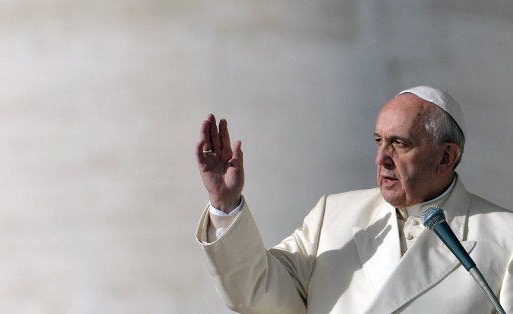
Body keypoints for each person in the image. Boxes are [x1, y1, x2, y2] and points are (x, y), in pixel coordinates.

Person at [194, 86, 512, 314]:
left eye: (399, 144)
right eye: (379, 141)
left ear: (445, 157)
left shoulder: (505, 238)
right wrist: (225, 202)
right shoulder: (333, 214)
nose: (381, 158)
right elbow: (255, 293)